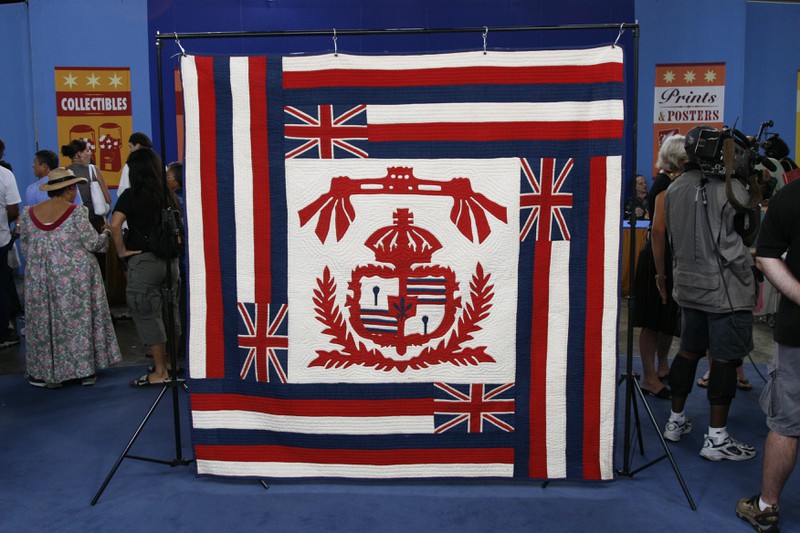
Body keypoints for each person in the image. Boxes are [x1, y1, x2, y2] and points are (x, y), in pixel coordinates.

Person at [660, 125, 758, 462]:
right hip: (725, 290)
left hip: (687, 287)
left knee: (687, 353)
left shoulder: (674, 189)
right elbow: (746, 234)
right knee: (725, 360)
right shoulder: (730, 190)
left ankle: (675, 422)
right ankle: (716, 438)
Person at [735, 175, 800, 532]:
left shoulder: (791, 196)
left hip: (797, 334)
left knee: (787, 424)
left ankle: (766, 506)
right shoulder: (791, 197)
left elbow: (767, 256)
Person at [19, 168, 121, 387]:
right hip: (74, 276)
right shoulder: (76, 212)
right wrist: (106, 233)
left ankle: (47, 371)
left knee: (44, 321)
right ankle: (82, 370)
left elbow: (26, 247)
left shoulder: (28, 213)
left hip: (40, 277)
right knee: (76, 322)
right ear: (70, 189)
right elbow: (93, 244)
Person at [110, 148, 181, 386]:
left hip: (144, 262)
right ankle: (171, 363)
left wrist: (122, 252)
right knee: (170, 313)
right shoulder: (169, 195)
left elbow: (115, 225)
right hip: (170, 263)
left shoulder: (131, 195)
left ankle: (159, 371)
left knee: (148, 314)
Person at [632, 135, 686, 398]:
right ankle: (649, 377)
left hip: (668, 259)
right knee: (652, 321)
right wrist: (661, 275)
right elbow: (658, 233)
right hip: (657, 259)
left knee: (667, 319)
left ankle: (662, 367)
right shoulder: (664, 185)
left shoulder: (674, 183)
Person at [0, 159, 21, 348]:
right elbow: (14, 210)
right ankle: (4, 331)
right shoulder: (5, 175)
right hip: (1, 239)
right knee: (3, 284)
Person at [117, 132, 154, 196]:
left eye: (130, 147)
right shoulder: (161, 166)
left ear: (137, 146)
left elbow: (122, 192)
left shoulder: (129, 166)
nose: (130, 150)